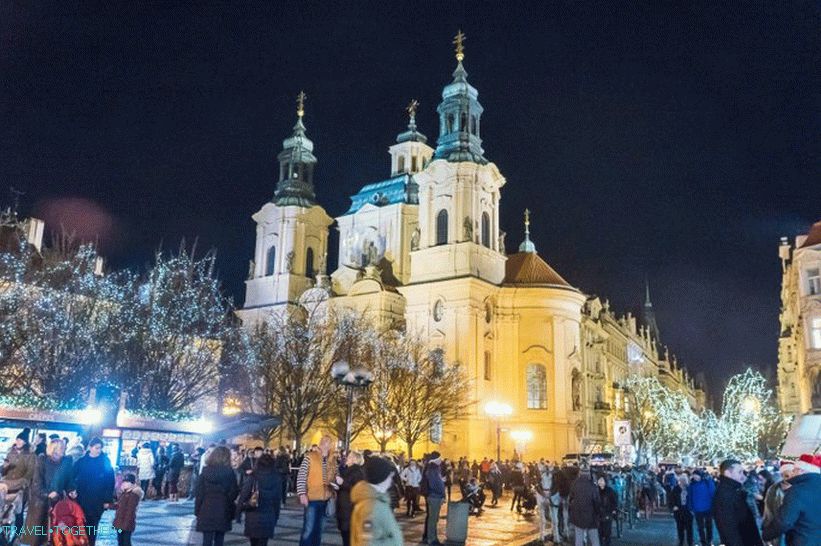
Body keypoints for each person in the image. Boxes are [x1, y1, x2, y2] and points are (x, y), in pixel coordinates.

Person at [21, 437, 73, 546]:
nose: (64, 449)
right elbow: (36, 483)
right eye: (61, 447)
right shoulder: (42, 460)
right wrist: (47, 494)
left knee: (55, 536)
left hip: (57, 503)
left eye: (63, 447)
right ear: (53, 448)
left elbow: (69, 480)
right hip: (40, 504)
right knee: (38, 537)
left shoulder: (66, 462)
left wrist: (71, 490)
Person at [762, 460, 821, 546]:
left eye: (794, 470)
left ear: (802, 471)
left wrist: (766, 535)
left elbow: (784, 522)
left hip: (803, 541)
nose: (793, 473)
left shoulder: (797, 491)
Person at [349, 456, 403, 546]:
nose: (390, 480)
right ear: (381, 478)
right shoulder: (372, 507)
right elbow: (366, 542)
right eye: (389, 477)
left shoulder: (376, 501)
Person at [72, 437, 115, 546]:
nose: (98, 450)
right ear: (90, 448)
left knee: (93, 525)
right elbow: (72, 476)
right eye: (96, 448)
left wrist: (107, 500)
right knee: (81, 524)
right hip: (82, 498)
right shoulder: (82, 461)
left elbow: (110, 482)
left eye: (100, 448)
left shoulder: (105, 461)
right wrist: (72, 490)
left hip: (98, 500)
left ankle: (90, 543)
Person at [296, 436, 337, 546]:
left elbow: (334, 476)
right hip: (312, 498)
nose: (326, 444)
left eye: (329, 442)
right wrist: (302, 494)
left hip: (326, 498)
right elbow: (301, 476)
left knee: (319, 530)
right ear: (320, 444)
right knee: (309, 529)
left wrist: (335, 483)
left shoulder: (332, 460)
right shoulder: (310, 457)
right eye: (324, 442)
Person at [195, 445, 239, 546]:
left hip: (206, 507)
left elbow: (199, 493)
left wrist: (197, 510)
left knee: (206, 540)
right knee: (220, 539)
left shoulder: (205, 472)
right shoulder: (229, 472)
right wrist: (228, 500)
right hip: (223, 508)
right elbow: (234, 492)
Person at [713, 458, 763, 546]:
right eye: (739, 472)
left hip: (747, 539)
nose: (743, 475)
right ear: (728, 473)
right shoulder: (724, 494)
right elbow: (729, 528)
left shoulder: (735, 489)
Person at [237, 453, 282, 546]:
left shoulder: (253, 477)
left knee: (253, 542)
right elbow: (277, 499)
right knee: (263, 542)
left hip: (253, 514)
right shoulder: (276, 478)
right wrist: (276, 515)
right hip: (268, 514)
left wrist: (238, 512)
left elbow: (243, 495)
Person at [334, 450, 365, 546]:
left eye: (349, 456)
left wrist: (342, 483)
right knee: (346, 535)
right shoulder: (350, 470)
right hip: (345, 507)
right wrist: (338, 487)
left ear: (354, 459)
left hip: (349, 508)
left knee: (348, 536)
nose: (347, 458)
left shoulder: (357, 472)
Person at [568, 465, 601, 546]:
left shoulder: (574, 484)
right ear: (589, 473)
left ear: (580, 472)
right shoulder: (593, 486)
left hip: (577, 516)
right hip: (591, 518)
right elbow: (597, 502)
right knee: (595, 541)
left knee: (578, 540)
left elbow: (570, 499)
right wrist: (598, 514)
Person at [112, 473, 142, 546]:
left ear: (133, 484)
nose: (124, 484)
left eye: (127, 482)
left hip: (126, 526)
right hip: (119, 525)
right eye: (124, 482)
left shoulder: (134, 495)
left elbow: (130, 511)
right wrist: (110, 506)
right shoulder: (123, 493)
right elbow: (119, 506)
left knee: (126, 541)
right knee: (120, 540)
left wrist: (125, 525)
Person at [422, 452, 445, 546]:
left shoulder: (435, 468)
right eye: (440, 458)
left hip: (435, 496)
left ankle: (433, 538)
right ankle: (431, 539)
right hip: (434, 497)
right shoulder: (432, 469)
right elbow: (433, 485)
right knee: (432, 519)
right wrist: (441, 493)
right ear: (436, 460)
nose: (441, 460)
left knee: (434, 519)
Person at [687, 469, 715, 546]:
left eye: (696, 475)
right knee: (700, 527)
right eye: (694, 475)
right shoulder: (692, 485)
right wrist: (690, 507)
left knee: (708, 525)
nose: (695, 477)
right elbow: (690, 496)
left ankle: (709, 540)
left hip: (708, 508)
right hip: (697, 509)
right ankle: (703, 541)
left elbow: (713, 494)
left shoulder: (707, 482)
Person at [670, 474, 694, 546]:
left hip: (688, 510)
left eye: (684, 480)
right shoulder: (676, 489)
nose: (683, 481)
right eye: (682, 480)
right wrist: (673, 506)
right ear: (679, 481)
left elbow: (693, 498)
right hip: (679, 510)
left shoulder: (689, 488)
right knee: (680, 527)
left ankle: (690, 542)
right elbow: (671, 499)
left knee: (689, 528)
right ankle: (681, 541)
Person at [597, 475, 618, 546]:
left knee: (607, 532)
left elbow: (614, 501)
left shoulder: (610, 491)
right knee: (599, 532)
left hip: (607, 513)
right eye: (599, 481)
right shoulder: (596, 490)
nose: (600, 482)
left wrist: (614, 510)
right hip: (598, 514)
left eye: (602, 481)